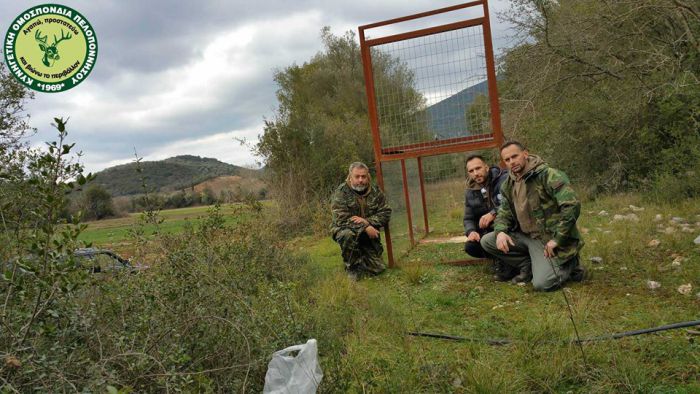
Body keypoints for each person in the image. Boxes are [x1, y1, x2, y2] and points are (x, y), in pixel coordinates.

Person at [480, 141, 586, 290]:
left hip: (549, 238)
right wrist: (500, 232)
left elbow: (571, 205)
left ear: (525, 153)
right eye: (507, 160)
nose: (512, 162)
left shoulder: (548, 175)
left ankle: (571, 264)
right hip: (526, 236)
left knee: (542, 283)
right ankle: (528, 265)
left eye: (514, 156)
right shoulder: (509, 184)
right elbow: (504, 212)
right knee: (487, 241)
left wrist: (558, 239)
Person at [331, 162, 392, 280]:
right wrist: (365, 227)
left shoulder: (375, 191)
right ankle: (352, 267)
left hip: (368, 235)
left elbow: (386, 212)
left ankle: (362, 257)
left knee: (378, 269)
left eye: (363, 176)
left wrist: (367, 221)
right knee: (347, 235)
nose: (360, 180)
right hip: (345, 231)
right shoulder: (341, 192)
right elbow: (341, 218)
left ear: (368, 176)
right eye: (357, 176)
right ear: (350, 176)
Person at [462, 154, 511, 278]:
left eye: (478, 168)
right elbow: (468, 218)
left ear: (486, 167)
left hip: (508, 226)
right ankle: (499, 258)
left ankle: (510, 262)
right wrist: (471, 231)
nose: (475, 173)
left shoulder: (504, 179)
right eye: (471, 171)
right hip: (488, 232)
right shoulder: (470, 191)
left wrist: (493, 213)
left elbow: (512, 204)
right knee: (471, 247)